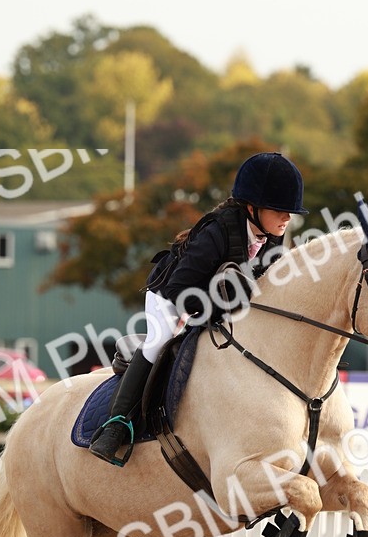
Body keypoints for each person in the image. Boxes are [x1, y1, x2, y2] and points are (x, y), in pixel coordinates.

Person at [89, 151, 308, 464]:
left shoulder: (274, 238)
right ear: (252, 208)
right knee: (160, 340)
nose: (287, 218)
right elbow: (181, 291)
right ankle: (116, 424)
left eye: (290, 211)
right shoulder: (216, 232)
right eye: (279, 210)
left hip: (219, 302)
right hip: (170, 295)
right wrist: (216, 313)